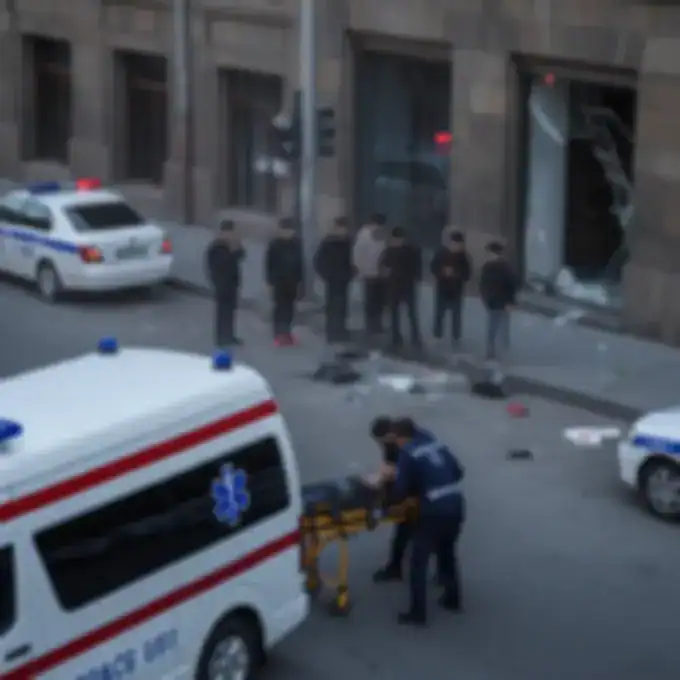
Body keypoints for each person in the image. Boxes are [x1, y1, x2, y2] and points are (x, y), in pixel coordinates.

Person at [391, 417, 465, 626]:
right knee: (447, 553)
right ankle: (453, 600)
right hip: (456, 504)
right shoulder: (436, 444)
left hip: (433, 510)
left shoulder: (408, 453)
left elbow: (400, 490)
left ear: (401, 437)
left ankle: (418, 613)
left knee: (418, 562)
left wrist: (399, 497)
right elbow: (459, 472)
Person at [368, 416, 413, 583]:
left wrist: (391, 500)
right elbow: (388, 467)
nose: (380, 444)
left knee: (406, 533)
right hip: (410, 489)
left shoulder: (405, 446)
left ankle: (396, 569)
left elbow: (401, 474)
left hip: (415, 493)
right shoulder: (390, 445)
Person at [380, 227, 422, 349]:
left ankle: (413, 338)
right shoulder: (391, 251)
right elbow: (383, 265)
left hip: (404, 284)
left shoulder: (408, 251)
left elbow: (416, 268)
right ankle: (398, 337)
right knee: (397, 313)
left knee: (410, 313)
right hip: (396, 285)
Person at [314, 216, 354, 343]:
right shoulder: (328, 243)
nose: (342, 231)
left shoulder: (349, 242)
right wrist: (326, 274)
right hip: (332, 279)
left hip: (344, 278)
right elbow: (319, 261)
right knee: (332, 305)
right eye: (340, 228)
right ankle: (332, 332)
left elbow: (353, 260)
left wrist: (351, 273)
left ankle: (342, 330)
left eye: (344, 228)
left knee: (343, 305)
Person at [205, 219, 245, 346]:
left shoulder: (232, 245)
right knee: (222, 312)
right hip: (221, 284)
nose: (230, 235)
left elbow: (242, 255)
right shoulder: (216, 247)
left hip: (232, 283)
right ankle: (221, 338)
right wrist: (232, 251)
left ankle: (230, 335)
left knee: (231, 311)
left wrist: (238, 246)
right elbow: (221, 264)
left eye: (232, 232)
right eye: (228, 232)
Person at [265, 218, 304, 346]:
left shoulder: (296, 244)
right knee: (280, 307)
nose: (287, 233)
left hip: (292, 281)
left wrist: (300, 280)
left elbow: (300, 264)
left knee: (290, 308)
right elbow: (269, 264)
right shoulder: (275, 245)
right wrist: (270, 281)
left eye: (290, 230)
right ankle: (279, 333)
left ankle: (287, 332)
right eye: (285, 230)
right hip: (279, 281)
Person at [430, 230, 472, 346]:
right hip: (442, 288)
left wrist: (456, 273)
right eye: (455, 244)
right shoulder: (441, 253)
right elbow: (433, 267)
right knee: (439, 313)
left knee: (456, 314)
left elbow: (467, 275)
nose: (457, 247)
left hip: (456, 290)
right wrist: (442, 272)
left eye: (460, 244)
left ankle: (456, 337)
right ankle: (437, 335)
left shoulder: (464, 257)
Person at [479, 240, 518, 362]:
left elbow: (511, 286)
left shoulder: (504, 268)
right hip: (493, 302)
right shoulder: (488, 267)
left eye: (489, 253)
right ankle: (493, 352)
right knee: (495, 327)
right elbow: (483, 285)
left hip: (501, 302)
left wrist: (510, 302)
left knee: (500, 328)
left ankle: (501, 352)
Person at [353, 214, 386, 335]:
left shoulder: (381, 234)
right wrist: (360, 269)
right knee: (372, 300)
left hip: (378, 274)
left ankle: (376, 324)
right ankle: (372, 324)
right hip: (370, 273)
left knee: (378, 301)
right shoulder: (364, 234)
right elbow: (358, 253)